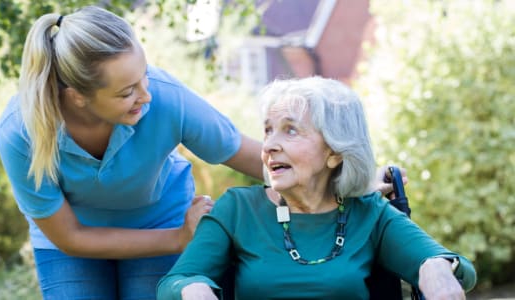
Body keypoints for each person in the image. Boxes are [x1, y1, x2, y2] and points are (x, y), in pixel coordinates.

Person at [0, 5, 403, 299]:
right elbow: (70, 236)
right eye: (126, 92)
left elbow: (244, 153)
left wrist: (349, 180)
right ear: (78, 97)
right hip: (77, 243)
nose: (146, 95)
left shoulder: (164, 98)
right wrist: (178, 240)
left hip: (159, 217)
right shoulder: (23, 132)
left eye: (144, 77)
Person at [157, 76, 477, 299]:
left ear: (334, 152)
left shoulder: (368, 213)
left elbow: (461, 269)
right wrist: (194, 287)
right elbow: (173, 282)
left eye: (290, 131)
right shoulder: (237, 209)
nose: (268, 146)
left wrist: (436, 266)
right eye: (268, 131)